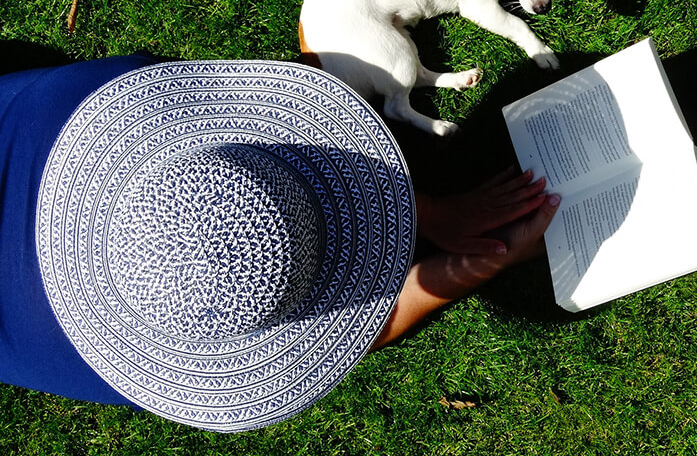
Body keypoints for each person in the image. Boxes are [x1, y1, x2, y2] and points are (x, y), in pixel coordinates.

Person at [0, 54, 558, 432]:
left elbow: (349, 327)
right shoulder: (71, 353)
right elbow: (362, 328)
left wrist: (428, 215)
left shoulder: (97, 95)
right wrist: (481, 260)